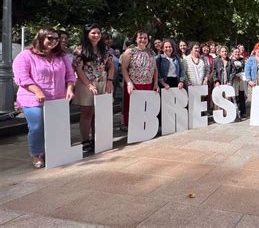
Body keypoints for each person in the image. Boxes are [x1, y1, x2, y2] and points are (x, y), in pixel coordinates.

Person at [12, 28, 76, 168]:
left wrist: (70, 88)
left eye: (56, 39)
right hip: (32, 98)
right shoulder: (25, 56)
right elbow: (22, 78)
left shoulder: (61, 56)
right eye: (50, 38)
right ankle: (37, 153)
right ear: (40, 38)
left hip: (57, 98)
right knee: (37, 126)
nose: (53, 42)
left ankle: (52, 151)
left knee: (56, 126)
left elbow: (70, 75)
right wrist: (37, 91)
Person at [73, 24, 114, 152]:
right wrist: (89, 84)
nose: (96, 35)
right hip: (86, 84)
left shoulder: (105, 50)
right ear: (87, 34)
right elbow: (78, 69)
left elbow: (111, 66)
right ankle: (85, 140)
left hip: (102, 83)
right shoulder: (80, 50)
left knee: (99, 113)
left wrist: (110, 81)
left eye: (98, 33)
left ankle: (98, 138)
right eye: (93, 33)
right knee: (87, 113)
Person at [120, 30, 158, 130]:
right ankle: (132, 129)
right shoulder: (129, 52)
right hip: (134, 85)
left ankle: (144, 128)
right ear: (136, 39)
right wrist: (129, 82)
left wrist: (156, 83)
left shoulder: (151, 52)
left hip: (148, 85)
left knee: (145, 108)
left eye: (145, 38)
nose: (143, 40)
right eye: (140, 38)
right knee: (132, 108)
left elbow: (155, 69)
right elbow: (123, 69)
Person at [230, 47, 246, 118]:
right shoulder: (230, 61)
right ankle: (236, 111)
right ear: (232, 53)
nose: (237, 53)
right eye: (235, 52)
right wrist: (234, 77)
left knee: (242, 95)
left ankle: (243, 111)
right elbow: (229, 71)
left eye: (238, 52)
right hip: (234, 81)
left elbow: (244, 69)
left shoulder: (242, 60)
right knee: (235, 96)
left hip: (242, 80)